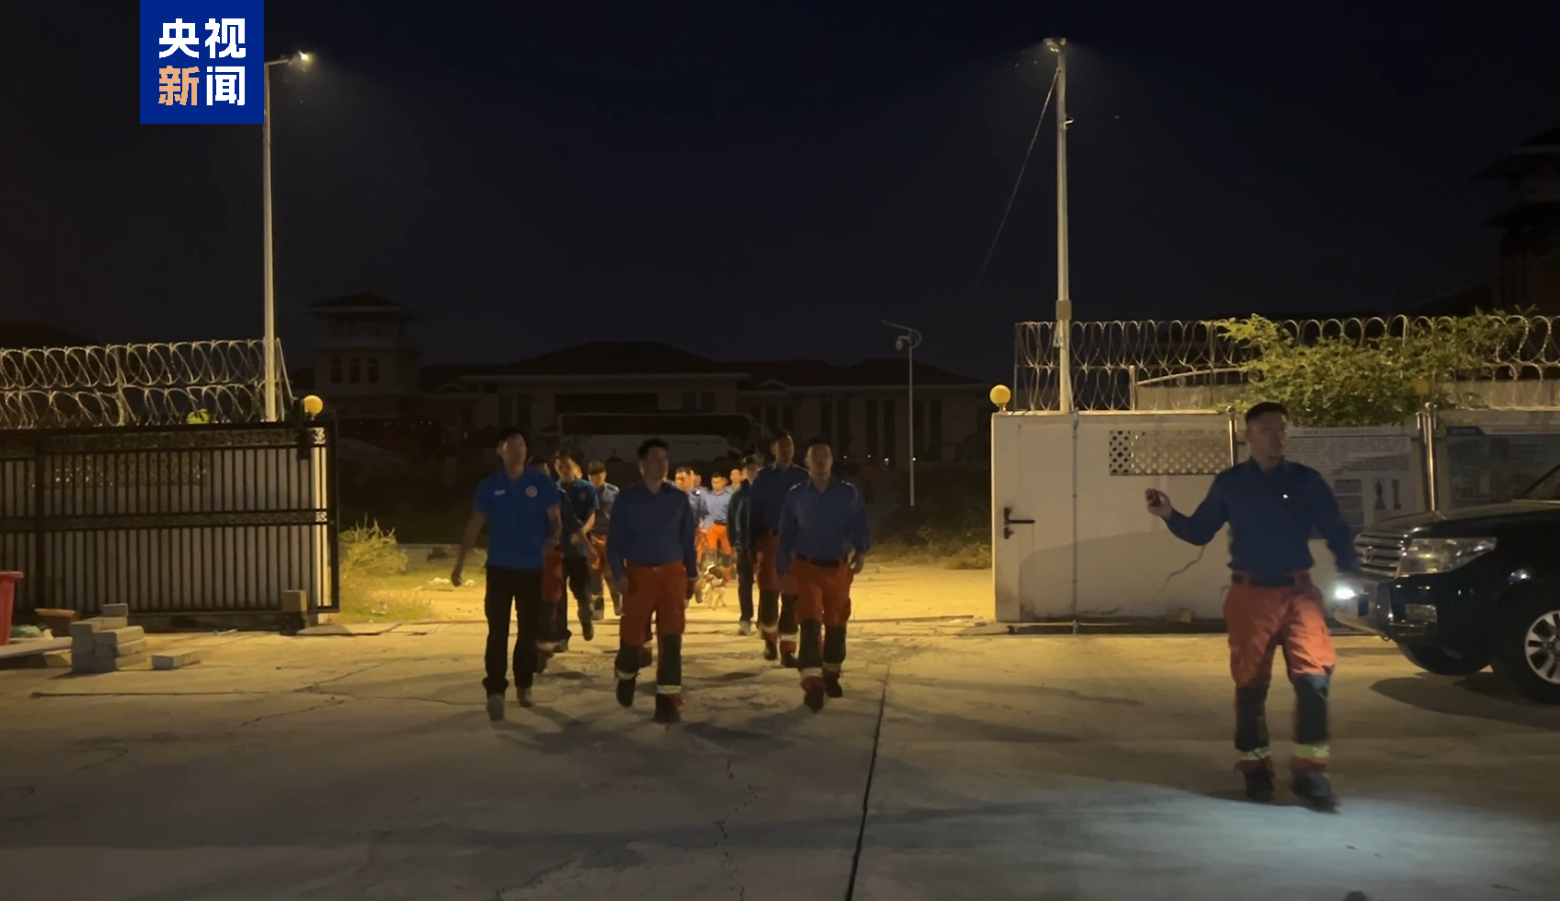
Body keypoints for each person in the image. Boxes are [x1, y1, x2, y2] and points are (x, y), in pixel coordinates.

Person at [1146, 401, 1360, 811]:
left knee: (1315, 680)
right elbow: (1200, 531)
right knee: (1250, 687)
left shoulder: (1306, 481)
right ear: (1249, 436)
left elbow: (1335, 527)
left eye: (1282, 428)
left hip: (1299, 594)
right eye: (1266, 429)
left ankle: (1311, 773)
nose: (1277, 436)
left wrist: (1351, 570)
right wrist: (1170, 514)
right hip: (1250, 597)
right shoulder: (1231, 484)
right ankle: (1256, 771)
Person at [451, 428, 562, 721]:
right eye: (512, 445)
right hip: (499, 568)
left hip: (531, 568)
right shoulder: (490, 486)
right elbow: (475, 524)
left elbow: (555, 520)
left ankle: (524, 684)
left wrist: (553, 538)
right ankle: (495, 691)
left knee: (527, 632)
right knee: (497, 632)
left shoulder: (541, 483)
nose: (518, 450)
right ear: (500, 450)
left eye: (522, 444)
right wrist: (460, 563)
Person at [605, 438, 699, 724]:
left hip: (672, 576)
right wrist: (618, 573)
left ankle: (667, 701)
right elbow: (614, 542)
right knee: (633, 638)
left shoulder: (678, 499)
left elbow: (687, 539)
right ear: (642, 465)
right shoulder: (627, 499)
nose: (661, 464)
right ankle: (625, 675)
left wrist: (692, 574)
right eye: (655, 459)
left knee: (671, 638)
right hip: (638, 576)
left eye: (664, 459)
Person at [777, 437, 869, 712]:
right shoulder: (796, 495)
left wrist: (861, 551)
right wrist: (782, 568)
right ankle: (812, 682)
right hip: (806, 568)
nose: (819, 460)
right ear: (806, 461)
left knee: (837, 622)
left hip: (838, 569)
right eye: (814, 456)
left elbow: (860, 522)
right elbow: (786, 532)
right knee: (809, 621)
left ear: (831, 460)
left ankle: (831, 674)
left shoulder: (847, 493)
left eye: (824, 455)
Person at [750, 431, 810, 666]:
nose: (787, 449)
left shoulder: (803, 477)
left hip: (796, 543)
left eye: (790, 445)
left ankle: (788, 650)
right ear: (773, 449)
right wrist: (751, 547)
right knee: (769, 594)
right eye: (782, 445)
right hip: (771, 541)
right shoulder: (764, 478)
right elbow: (754, 513)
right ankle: (769, 640)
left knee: (792, 597)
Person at [554, 453, 600, 642]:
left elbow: (591, 516)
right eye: (561, 467)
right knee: (558, 596)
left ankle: (586, 619)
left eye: (567, 466)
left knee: (582, 593)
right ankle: (561, 635)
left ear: (574, 467)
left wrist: (581, 534)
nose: (564, 470)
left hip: (580, 550)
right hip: (559, 550)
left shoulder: (586, 489)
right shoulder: (553, 490)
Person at [728, 455, 763, 636]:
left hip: (763, 545)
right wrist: (733, 543)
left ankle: (765, 620)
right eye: (748, 469)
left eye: (754, 468)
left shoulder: (766, 491)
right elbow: (731, 519)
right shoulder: (738, 495)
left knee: (766, 585)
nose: (751, 472)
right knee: (744, 584)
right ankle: (745, 619)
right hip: (743, 545)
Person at [586, 461, 621, 618]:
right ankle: (598, 608)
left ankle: (617, 601)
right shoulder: (585, 491)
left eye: (599, 474)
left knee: (611, 573)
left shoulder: (614, 492)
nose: (596, 478)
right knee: (594, 574)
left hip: (610, 536)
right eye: (592, 475)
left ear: (605, 474)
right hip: (592, 537)